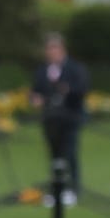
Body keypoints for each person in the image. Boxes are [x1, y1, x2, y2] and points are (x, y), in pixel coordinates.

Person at [28, 33, 89, 204]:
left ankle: (73, 189)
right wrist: (35, 99)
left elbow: (81, 90)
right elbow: (35, 91)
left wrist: (67, 90)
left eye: (55, 48)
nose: (52, 52)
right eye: (49, 49)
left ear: (62, 49)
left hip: (70, 118)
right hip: (50, 119)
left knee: (69, 153)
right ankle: (56, 189)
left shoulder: (75, 69)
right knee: (54, 155)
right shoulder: (42, 71)